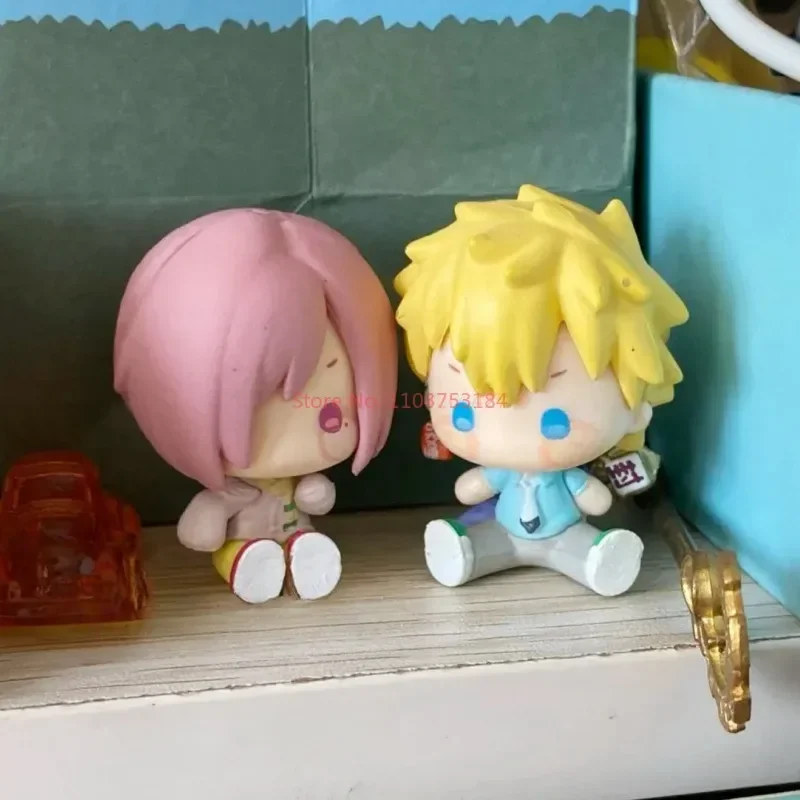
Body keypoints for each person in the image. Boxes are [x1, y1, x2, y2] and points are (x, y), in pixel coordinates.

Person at [394, 185, 688, 596]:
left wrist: (594, 493)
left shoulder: (567, 476)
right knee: (482, 540)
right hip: (504, 530)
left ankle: (600, 560)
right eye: (465, 415)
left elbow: (597, 501)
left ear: (637, 401)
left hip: (565, 533)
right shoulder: (502, 471)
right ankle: (462, 552)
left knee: (580, 547)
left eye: (556, 421)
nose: (506, 433)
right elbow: (471, 489)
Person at [115, 209, 397, 603]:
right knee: (240, 552)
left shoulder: (299, 478)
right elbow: (199, 535)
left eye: (329, 413)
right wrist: (214, 513)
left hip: (297, 530)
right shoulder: (230, 492)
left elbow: (319, 497)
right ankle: (248, 567)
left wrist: (315, 493)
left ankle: (306, 561)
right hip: (241, 538)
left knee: (302, 540)